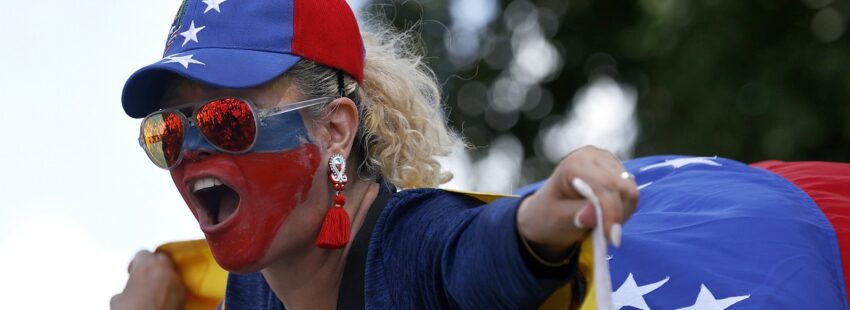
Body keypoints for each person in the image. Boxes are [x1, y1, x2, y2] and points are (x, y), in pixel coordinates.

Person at [111, 0, 638, 309]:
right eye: (168, 133)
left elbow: (475, 253)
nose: (192, 150)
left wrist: (538, 225)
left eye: (228, 119)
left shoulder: (409, 245)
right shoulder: (248, 293)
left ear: (336, 129)